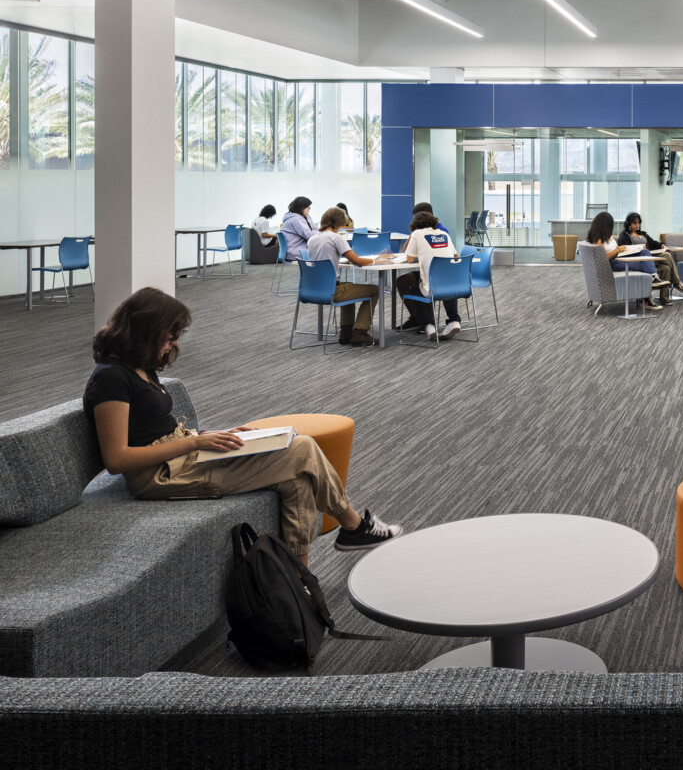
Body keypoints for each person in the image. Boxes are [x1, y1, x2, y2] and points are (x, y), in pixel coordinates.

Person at [82, 288, 402, 565]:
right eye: (168, 337)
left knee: (298, 479)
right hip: (160, 476)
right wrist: (195, 444)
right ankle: (354, 525)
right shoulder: (111, 378)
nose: (173, 344)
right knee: (302, 448)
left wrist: (205, 436)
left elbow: (154, 429)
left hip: (183, 457)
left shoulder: (140, 366)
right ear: (143, 332)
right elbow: (117, 460)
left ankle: (297, 580)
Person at [306, 207, 384, 344]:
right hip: (333, 291)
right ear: (339, 223)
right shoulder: (336, 237)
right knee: (375, 290)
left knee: (349, 287)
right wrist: (376, 260)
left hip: (315, 289)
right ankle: (360, 332)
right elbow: (357, 261)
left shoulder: (312, 239)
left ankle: (346, 333)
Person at [396, 210, 465, 339]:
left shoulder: (417, 234)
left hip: (432, 287)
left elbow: (410, 259)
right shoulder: (444, 234)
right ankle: (454, 320)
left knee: (412, 291)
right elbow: (456, 257)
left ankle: (428, 324)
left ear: (414, 225)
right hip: (453, 285)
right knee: (443, 281)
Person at [589, 211, 666, 310]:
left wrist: (623, 249)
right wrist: (618, 249)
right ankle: (648, 294)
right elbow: (603, 258)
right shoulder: (598, 239)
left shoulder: (608, 237)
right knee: (644, 264)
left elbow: (615, 249)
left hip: (619, 258)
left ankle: (653, 277)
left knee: (645, 252)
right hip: (612, 264)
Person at [619, 211, 683, 294]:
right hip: (640, 260)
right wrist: (639, 248)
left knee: (666, 268)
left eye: (639, 223)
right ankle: (677, 282)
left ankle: (665, 299)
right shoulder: (624, 235)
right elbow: (626, 249)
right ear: (628, 223)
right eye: (635, 223)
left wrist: (662, 245)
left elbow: (654, 243)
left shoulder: (643, 234)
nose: (637, 225)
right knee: (666, 255)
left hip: (650, 258)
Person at [278, 197, 315, 262]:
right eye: (307, 206)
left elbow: (314, 229)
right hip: (296, 251)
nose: (310, 208)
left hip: (294, 250)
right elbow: (309, 235)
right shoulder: (296, 219)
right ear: (301, 207)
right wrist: (322, 232)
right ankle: (328, 271)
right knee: (324, 252)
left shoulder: (302, 217)